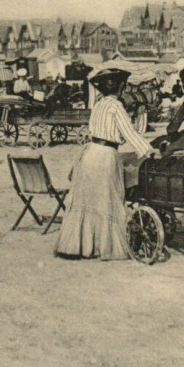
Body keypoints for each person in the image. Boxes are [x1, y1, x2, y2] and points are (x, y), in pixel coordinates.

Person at [55, 68, 155, 260]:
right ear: (121, 88)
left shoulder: (99, 104)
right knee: (106, 199)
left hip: (90, 153)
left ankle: (80, 246)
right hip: (106, 156)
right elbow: (129, 133)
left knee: (88, 200)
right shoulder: (116, 106)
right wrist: (147, 150)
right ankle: (104, 246)